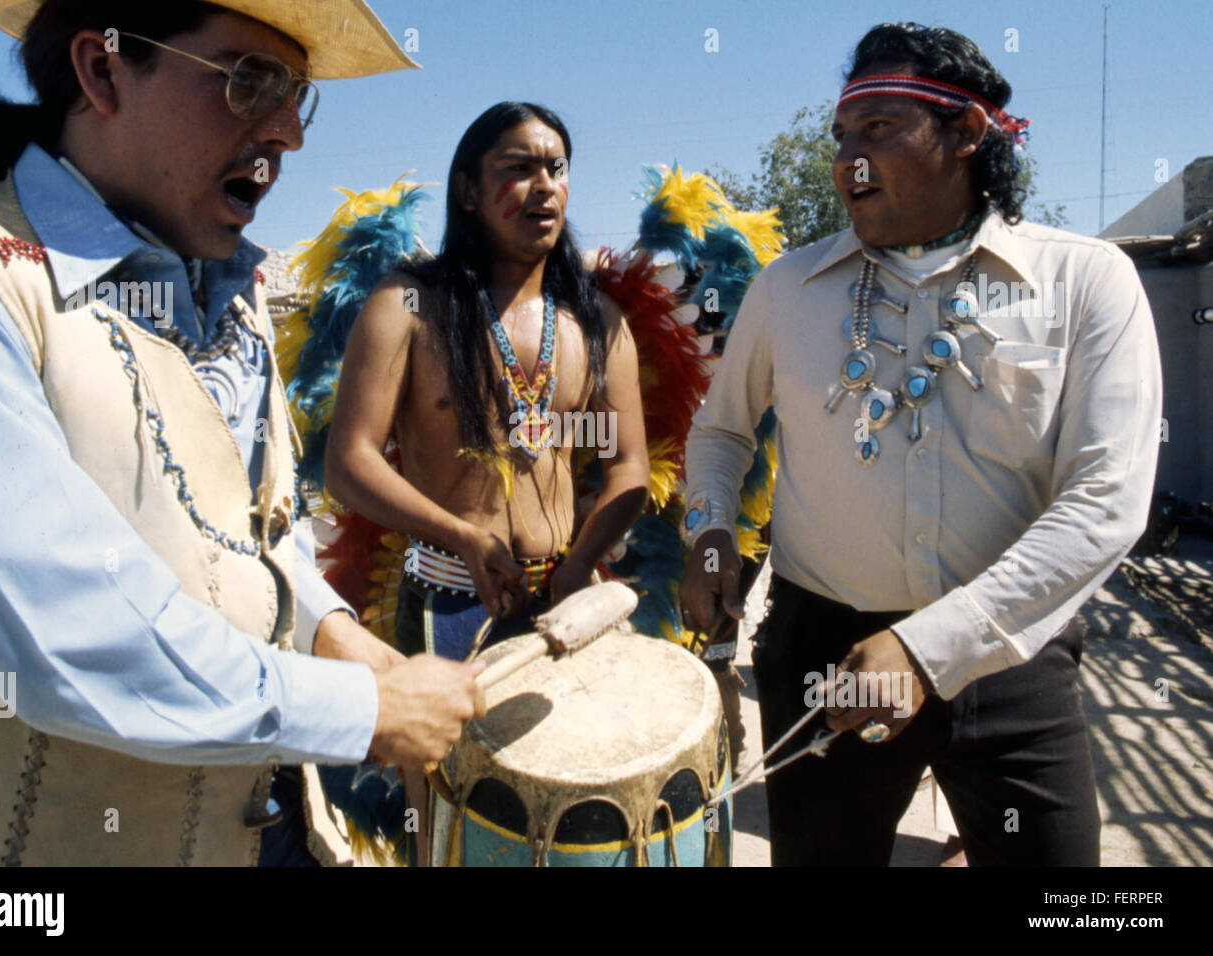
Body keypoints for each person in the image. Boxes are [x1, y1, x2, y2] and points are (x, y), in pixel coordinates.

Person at [0, 0, 486, 867]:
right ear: (103, 70)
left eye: (298, 94)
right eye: (249, 80)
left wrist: (337, 636)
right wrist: (365, 712)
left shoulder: (236, 298)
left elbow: (246, 545)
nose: (289, 130)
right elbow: (57, 629)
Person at [680, 22, 1162, 866]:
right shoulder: (786, 288)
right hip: (823, 659)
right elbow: (721, 432)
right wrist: (711, 530)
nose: (846, 162)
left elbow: (1105, 504)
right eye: (840, 138)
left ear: (966, 133)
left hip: (1010, 659)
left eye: (877, 131)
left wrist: (925, 647)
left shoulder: (1086, 282)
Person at [325, 102, 650, 662]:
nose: (544, 186)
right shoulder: (406, 305)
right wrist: (465, 539)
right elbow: (350, 463)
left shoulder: (597, 322)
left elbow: (627, 465)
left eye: (558, 168)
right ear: (468, 191)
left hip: (566, 601)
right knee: (446, 754)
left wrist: (577, 567)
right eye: (519, 169)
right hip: (447, 603)